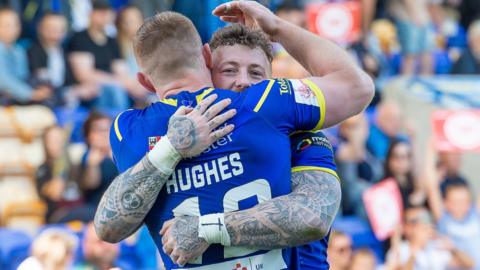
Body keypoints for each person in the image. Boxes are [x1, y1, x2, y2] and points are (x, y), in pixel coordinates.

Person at [94, 1, 373, 269]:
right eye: (229, 70)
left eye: (256, 73)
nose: (243, 81)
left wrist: (276, 28)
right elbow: (107, 227)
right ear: (207, 62)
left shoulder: (128, 128)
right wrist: (170, 148)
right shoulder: (266, 104)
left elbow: (313, 216)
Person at [66, 1, 129, 111]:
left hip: (112, 85)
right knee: (114, 90)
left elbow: (121, 71)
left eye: (108, 13)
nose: (105, 17)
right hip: (91, 88)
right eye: (101, 13)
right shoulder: (80, 38)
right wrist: (115, 81)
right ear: (91, 14)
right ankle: (119, 123)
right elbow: (84, 75)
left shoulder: (112, 41)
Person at [425, 145, 480, 269]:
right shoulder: (444, 219)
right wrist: (432, 148)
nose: (461, 205)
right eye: (456, 201)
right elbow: (431, 186)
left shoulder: (475, 215)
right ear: (446, 203)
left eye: (464, 201)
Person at [385, 206, 474, 270]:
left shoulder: (437, 246)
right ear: (406, 227)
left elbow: (469, 264)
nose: (423, 224)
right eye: (415, 221)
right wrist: (416, 249)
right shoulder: (399, 250)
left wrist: (453, 249)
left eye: (426, 218)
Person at [0, 7, 52, 104]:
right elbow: (3, 80)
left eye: (15, 24)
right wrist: (31, 94)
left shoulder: (19, 50)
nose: (12, 29)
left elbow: (23, 77)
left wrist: (39, 88)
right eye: (6, 25)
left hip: (16, 99)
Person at [27, 12, 71, 105]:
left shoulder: (65, 52)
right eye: (51, 27)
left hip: (64, 94)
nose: (55, 31)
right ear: (40, 28)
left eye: (59, 28)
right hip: (43, 98)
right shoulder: (33, 51)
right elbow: (40, 79)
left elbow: (70, 80)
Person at [78, 112, 118, 208]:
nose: (104, 134)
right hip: (95, 207)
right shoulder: (87, 157)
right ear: (88, 136)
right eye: (99, 130)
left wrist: (115, 159)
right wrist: (92, 166)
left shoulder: (121, 154)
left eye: (107, 129)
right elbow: (90, 185)